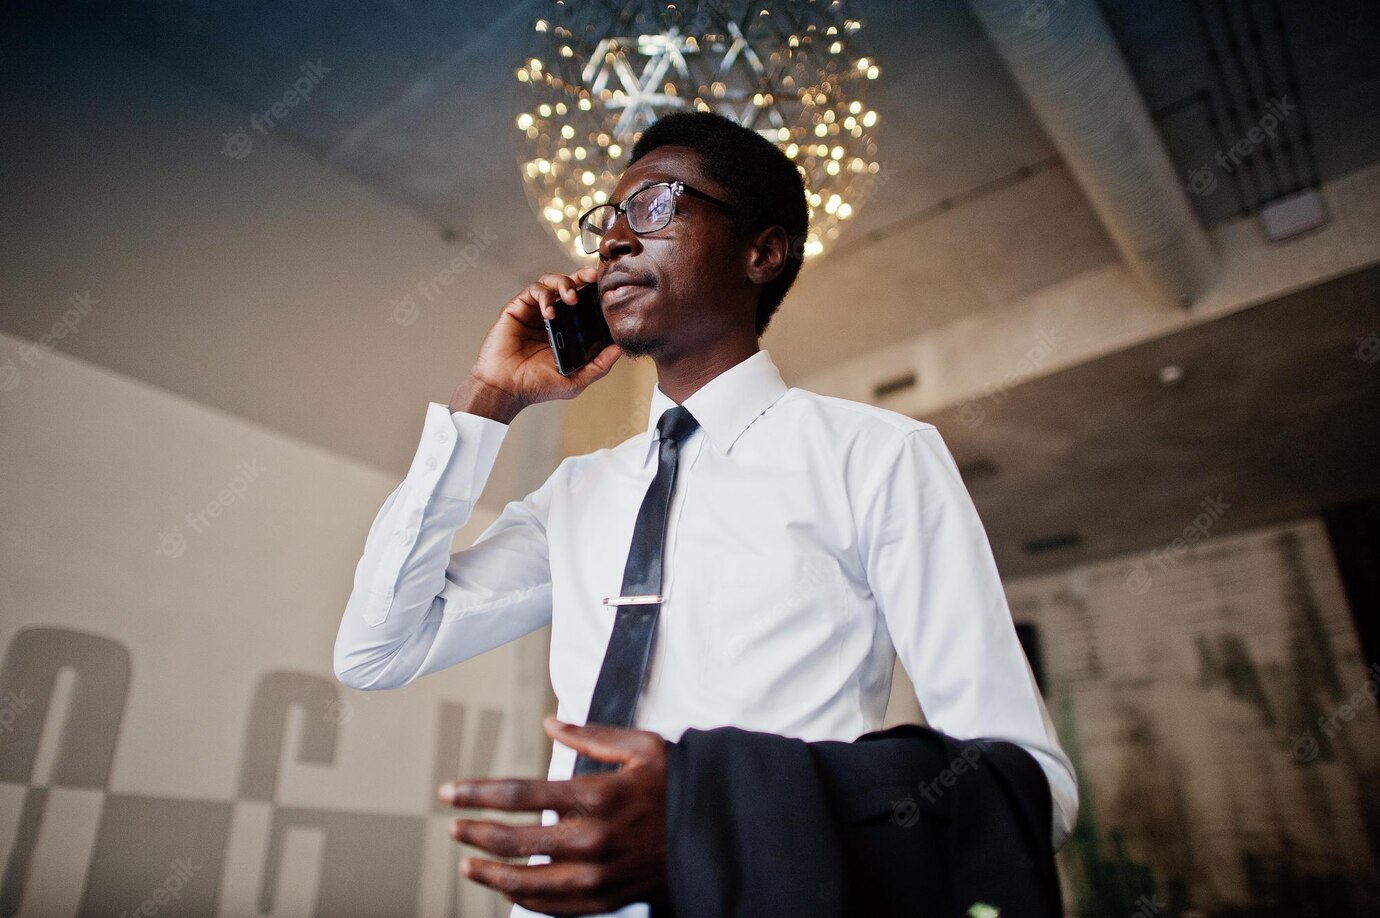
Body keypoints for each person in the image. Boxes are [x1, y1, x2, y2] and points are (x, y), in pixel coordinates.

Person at [334, 111, 1077, 917]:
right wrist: (488, 402)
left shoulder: (878, 456)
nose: (614, 241)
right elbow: (376, 651)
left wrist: (711, 814)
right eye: (607, 221)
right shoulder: (578, 494)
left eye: (655, 207)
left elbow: (1027, 782)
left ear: (763, 251)